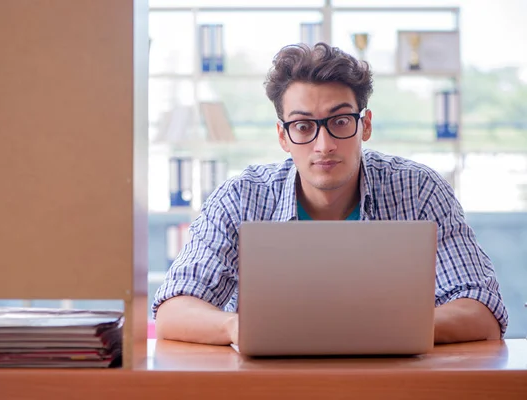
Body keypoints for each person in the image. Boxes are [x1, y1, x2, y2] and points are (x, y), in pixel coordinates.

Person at [152, 42, 508, 346]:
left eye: (339, 122)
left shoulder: (420, 191)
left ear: (364, 125)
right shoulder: (240, 197)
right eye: (303, 126)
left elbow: (483, 310)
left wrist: (383, 330)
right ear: (283, 136)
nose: (324, 146)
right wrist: (238, 327)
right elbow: (173, 310)